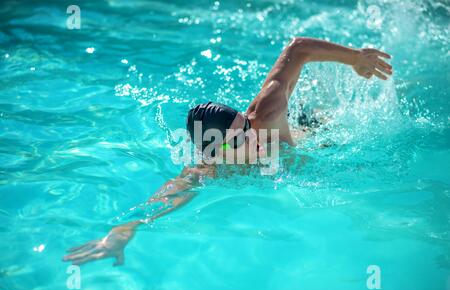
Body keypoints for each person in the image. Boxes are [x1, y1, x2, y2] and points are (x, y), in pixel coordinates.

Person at [63, 37, 392, 266]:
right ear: (214, 154)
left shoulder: (267, 111)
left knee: (323, 123)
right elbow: (163, 200)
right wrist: (119, 236)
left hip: (315, 132)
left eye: (244, 127)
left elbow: (299, 48)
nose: (251, 137)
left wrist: (355, 59)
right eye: (238, 140)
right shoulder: (207, 171)